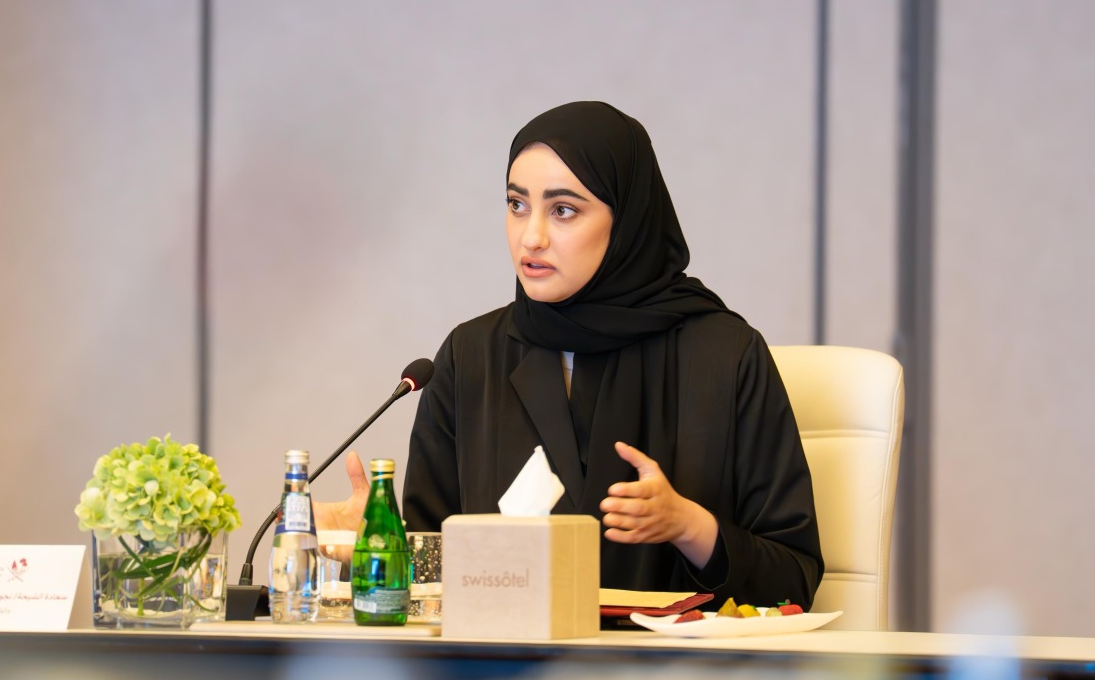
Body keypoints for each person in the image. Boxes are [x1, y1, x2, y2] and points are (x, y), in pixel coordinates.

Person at [318, 101, 822, 609]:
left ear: (624, 220)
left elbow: (794, 579)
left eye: (563, 210)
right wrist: (380, 545)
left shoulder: (724, 357)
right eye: (517, 205)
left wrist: (690, 527)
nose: (530, 236)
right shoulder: (472, 357)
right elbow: (440, 579)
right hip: (503, 678)